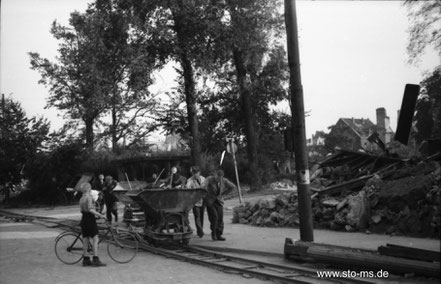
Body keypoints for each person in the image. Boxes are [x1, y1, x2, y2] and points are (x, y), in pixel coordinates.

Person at [203, 169, 236, 241]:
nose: (218, 179)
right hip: (210, 201)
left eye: (219, 178)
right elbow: (204, 184)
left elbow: (233, 186)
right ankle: (214, 234)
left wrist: (225, 193)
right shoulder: (209, 179)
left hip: (219, 201)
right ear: (215, 175)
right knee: (214, 218)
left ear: (222, 177)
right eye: (217, 177)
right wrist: (204, 189)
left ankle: (219, 234)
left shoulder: (224, 181)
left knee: (220, 218)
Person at [79, 182, 107, 267]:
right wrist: (101, 215)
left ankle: (85, 260)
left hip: (84, 219)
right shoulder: (89, 197)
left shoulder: (81, 199)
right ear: (88, 189)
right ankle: (95, 259)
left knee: (85, 240)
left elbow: (82, 210)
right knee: (95, 239)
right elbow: (90, 210)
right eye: (90, 188)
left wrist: (94, 208)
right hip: (90, 220)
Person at [185, 166, 206, 238]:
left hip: (203, 200)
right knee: (197, 216)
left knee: (201, 215)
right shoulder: (190, 180)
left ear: (199, 172)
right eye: (193, 173)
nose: (195, 175)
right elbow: (187, 188)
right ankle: (200, 230)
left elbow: (206, 187)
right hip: (195, 201)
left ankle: (200, 229)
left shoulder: (203, 179)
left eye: (196, 173)